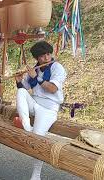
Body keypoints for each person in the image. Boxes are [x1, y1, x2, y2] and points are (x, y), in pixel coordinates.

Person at [15, 41, 67, 180]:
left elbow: (53, 88)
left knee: (37, 138)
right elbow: (25, 88)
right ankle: (26, 126)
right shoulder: (36, 68)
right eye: (43, 56)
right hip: (35, 104)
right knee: (20, 92)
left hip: (49, 108)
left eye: (49, 54)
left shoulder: (57, 68)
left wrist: (36, 78)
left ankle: (36, 174)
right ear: (37, 58)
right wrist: (19, 80)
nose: (47, 58)